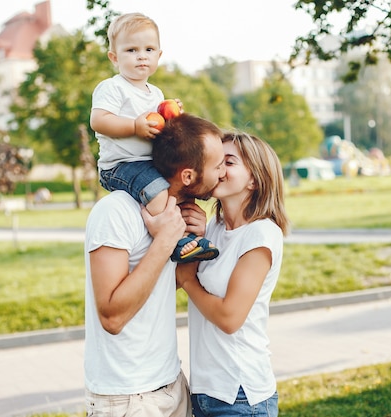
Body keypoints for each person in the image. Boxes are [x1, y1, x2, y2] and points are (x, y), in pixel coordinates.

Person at [84, 114, 226, 417]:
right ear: (188, 176)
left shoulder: (175, 214)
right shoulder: (115, 211)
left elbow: (165, 284)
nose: (222, 173)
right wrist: (164, 242)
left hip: (170, 382)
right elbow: (112, 316)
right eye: (217, 166)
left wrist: (190, 242)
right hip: (128, 397)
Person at [176, 131, 290, 417]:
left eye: (228, 162)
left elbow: (229, 318)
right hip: (205, 390)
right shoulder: (212, 228)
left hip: (240, 395)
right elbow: (175, 280)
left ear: (254, 178)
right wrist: (196, 237)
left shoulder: (262, 234)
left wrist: (190, 279)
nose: (218, 170)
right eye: (215, 162)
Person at [90, 12, 218, 263]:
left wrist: (172, 114)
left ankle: (191, 236)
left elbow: (162, 126)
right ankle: (174, 240)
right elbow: (99, 120)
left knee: (182, 190)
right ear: (114, 58)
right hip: (121, 166)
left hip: (149, 163)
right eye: (131, 50)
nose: (141, 56)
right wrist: (134, 127)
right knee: (159, 193)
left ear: (158, 56)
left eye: (149, 49)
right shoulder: (112, 87)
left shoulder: (156, 93)